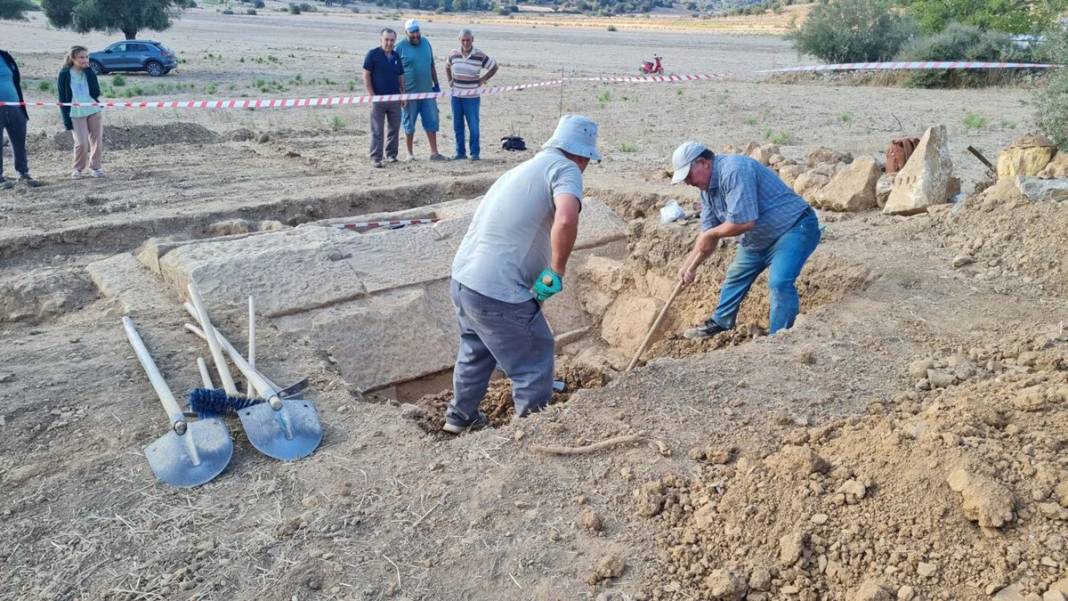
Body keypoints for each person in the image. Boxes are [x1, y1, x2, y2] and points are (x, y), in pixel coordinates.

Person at [445, 114, 600, 434]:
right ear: (582, 155)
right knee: (534, 356)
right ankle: (530, 436)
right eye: (587, 160)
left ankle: (460, 417)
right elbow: (568, 218)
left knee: (476, 351)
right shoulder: (566, 169)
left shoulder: (520, 169)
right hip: (498, 289)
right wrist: (557, 268)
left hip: (464, 280)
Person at [671, 141, 821, 338]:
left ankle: (779, 339)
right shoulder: (707, 191)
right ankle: (721, 322)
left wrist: (711, 234)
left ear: (703, 162)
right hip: (758, 239)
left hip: (793, 228)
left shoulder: (734, 170)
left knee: (779, 282)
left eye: (688, 175)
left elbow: (744, 222)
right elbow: (706, 235)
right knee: (735, 275)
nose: (687, 182)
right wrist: (688, 266)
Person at [394, 19, 445, 161]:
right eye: (412, 33)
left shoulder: (426, 43)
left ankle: (434, 152)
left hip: (428, 92)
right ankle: (410, 153)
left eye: (417, 31)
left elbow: (432, 65)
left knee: (432, 121)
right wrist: (401, 93)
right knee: (409, 123)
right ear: (406, 33)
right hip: (409, 94)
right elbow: (397, 73)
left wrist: (436, 84)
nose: (415, 35)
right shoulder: (400, 47)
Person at [445, 28, 497, 161]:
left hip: (472, 98)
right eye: (463, 40)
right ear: (459, 40)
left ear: (472, 40)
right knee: (458, 125)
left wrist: (483, 79)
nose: (466, 43)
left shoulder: (479, 55)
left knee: (473, 125)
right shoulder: (453, 54)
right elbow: (447, 66)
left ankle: (475, 153)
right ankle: (460, 153)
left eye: (468, 40)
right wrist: (450, 80)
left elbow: (494, 67)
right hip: (456, 97)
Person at [59, 45, 105, 179]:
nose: (85, 60)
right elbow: (62, 98)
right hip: (76, 113)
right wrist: (66, 120)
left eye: (86, 57)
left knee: (97, 141)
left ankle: (96, 167)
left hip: (93, 110)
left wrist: (89, 71)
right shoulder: (64, 74)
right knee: (82, 142)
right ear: (73, 58)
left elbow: (96, 92)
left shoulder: (89, 71)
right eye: (81, 57)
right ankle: (77, 169)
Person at [362, 28, 405, 168]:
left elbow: (400, 77)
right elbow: (366, 75)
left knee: (394, 128)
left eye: (392, 40)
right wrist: (372, 95)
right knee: (377, 129)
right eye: (386, 39)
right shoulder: (372, 55)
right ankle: (376, 158)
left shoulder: (396, 56)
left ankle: (391, 155)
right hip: (378, 100)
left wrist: (402, 94)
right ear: (381, 40)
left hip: (394, 99)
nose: (389, 43)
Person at [0, 49, 41, 189]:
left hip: (15, 105)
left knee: (19, 141)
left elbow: (16, 79)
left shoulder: (5, 56)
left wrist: (21, 105)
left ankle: (23, 173)